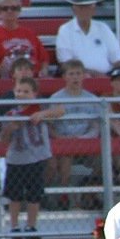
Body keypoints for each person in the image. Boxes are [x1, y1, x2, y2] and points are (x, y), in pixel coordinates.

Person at [1, 76, 61, 236]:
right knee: (15, 196)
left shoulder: (40, 108)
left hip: (36, 159)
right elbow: (3, 139)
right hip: (16, 160)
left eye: (26, 91)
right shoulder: (10, 113)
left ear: (35, 94)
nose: (22, 94)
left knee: (34, 195)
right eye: (19, 91)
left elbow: (60, 111)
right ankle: (14, 226)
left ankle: (31, 225)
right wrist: (11, 128)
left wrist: (42, 114)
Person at [49, 59, 101, 209]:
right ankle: (64, 197)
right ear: (64, 77)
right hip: (63, 141)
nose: (75, 77)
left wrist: (83, 139)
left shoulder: (92, 99)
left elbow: (96, 126)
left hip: (87, 141)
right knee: (66, 157)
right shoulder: (56, 99)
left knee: (102, 157)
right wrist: (62, 139)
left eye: (78, 74)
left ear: (84, 76)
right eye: (71, 74)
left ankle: (89, 194)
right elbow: (50, 127)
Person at [55, 0, 120, 77]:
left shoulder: (103, 28)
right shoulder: (65, 30)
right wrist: (95, 75)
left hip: (108, 79)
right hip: (79, 79)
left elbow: (118, 59)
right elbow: (66, 64)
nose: (85, 11)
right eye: (81, 7)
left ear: (94, 9)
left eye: (88, 7)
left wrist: (114, 76)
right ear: (74, 9)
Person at [0, 0, 49, 78]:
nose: (9, 11)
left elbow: (44, 59)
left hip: (32, 81)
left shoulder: (29, 34)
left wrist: (44, 71)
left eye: (14, 8)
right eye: (5, 8)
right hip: (6, 82)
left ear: (19, 11)